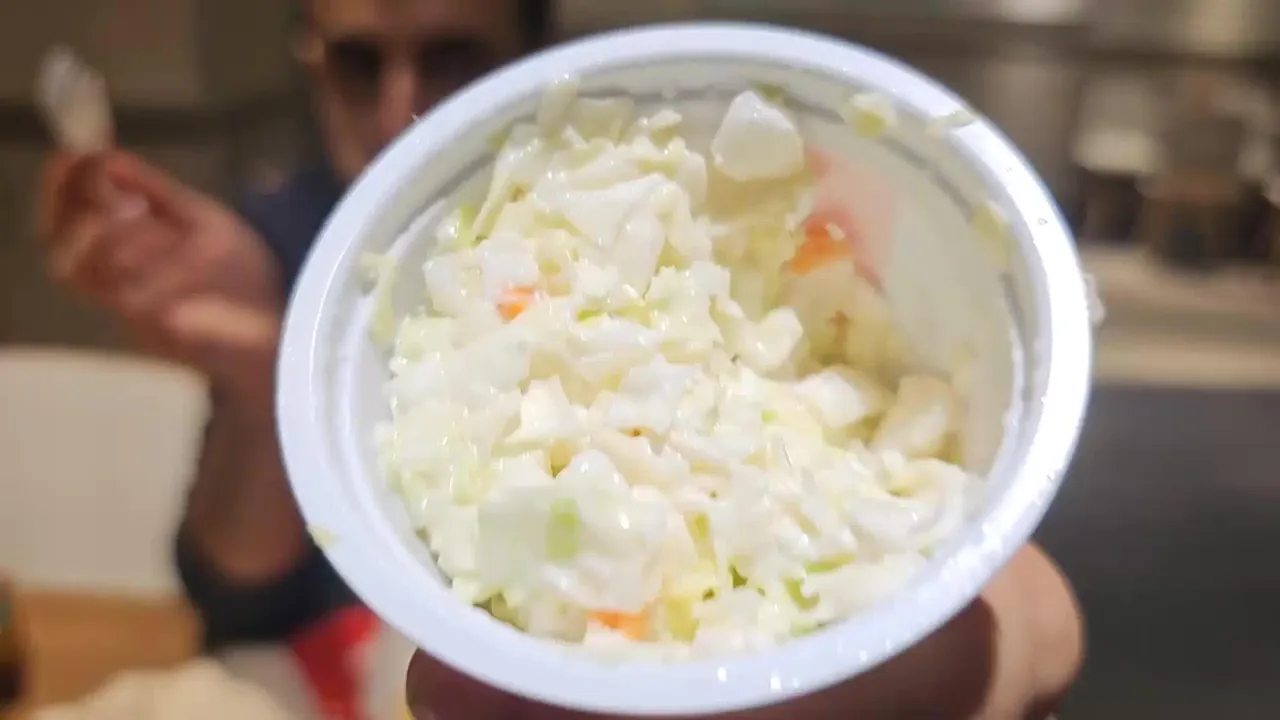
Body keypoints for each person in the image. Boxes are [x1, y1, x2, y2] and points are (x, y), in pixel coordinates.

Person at [38, 0, 1083, 716]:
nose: (401, 101)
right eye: (359, 60)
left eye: (451, 54)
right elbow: (232, 591)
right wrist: (260, 373)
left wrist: (1017, 628)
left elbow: (1016, 594)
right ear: (311, 60)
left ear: (530, 52)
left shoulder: (616, 208)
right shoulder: (272, 241)